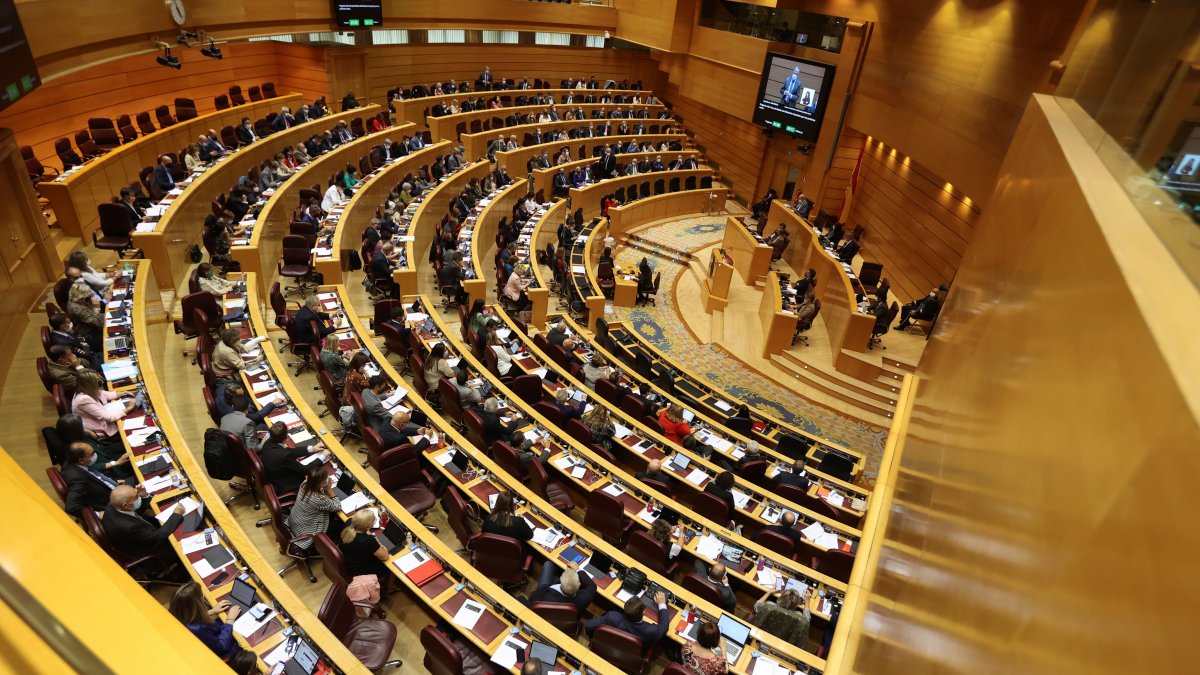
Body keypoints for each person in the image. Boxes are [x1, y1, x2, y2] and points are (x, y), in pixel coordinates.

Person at [105, 485, 185, 560]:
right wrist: (176, 514)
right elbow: (157, 537)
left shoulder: (113, 504)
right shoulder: (129, 527)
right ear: (125, 505)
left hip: (145, 531)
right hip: (153, 548)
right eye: (136, 496)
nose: (138, 497)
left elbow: (137, 510)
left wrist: (143, 495)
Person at [169, 582, 243, 660]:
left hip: (211, 636)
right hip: (222, 649)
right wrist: (230, 620)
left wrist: (212, 611)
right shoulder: (198, 629)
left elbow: (191, 617)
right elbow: (221, 647)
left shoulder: (178, 615)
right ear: (198, 604)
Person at [261, 422, 328, 495]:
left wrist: (313, 448)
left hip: (273, 476)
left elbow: (289, 451)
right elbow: (304, 470)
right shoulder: (284, 456)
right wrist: (323, 456)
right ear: (285, 438)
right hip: (286, 483)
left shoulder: (268, 442)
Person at [287, 464, 343, 549]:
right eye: (327, 478)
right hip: (306, 531)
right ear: (321, 483)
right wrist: (329, 489)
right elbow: (338, 506)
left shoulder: (305, 483)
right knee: (341, 523)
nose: (328, 479)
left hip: (296, 522)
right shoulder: (319, 499)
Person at [60, 442, 124, 516]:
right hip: (114, 501)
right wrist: (97, 515)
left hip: (114, 485)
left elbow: (96, 477)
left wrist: (114, 481)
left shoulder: (72, 462)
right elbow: (71, 507)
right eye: (92, 453)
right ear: (81, 460)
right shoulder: (77, 479)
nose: (95, 455)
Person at [584, 593, 670, 647]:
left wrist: (596, 637)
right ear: (643, 613)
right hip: (632, 655)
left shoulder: (612, 617)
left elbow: (588, 625)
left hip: (608, 645)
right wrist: (662, 604)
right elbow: (664, 626)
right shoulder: (651, 630)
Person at [72, 371, 138, 439]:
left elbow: (107, 395)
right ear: (88, 383)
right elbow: (110, 418)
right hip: (102, 429)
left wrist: (125, 393)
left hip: (107, 416)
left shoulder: (87, 389)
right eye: (97, 379)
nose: (100, 381)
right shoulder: (83, 400)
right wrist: (129, 408)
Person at [339, 509, 390, 580]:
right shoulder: (367, 540)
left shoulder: (350, 522)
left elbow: (365, 531)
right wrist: (375, 539)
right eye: (374, 520)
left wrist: (368, 532)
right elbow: (385, 556)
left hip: (350, 562)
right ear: (368, 526)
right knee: (389, 566)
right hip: (362, 571)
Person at [529, 560, 597, 612]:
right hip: (565, 619)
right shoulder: (585, 597)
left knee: (548, 564)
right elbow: (592, 586)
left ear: (560, 581)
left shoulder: (542, 597)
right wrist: (578, 570)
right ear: (579, 584)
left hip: (546, 589)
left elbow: (532, 599)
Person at [65, 282, 103, 348]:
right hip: (90, 335)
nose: (90, 296)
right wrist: (97, 308)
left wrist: (91, 305)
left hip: (93, 326)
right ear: (81, 296)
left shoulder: (75, 300)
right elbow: (98, 323)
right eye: (88, 295)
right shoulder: (77, 308)